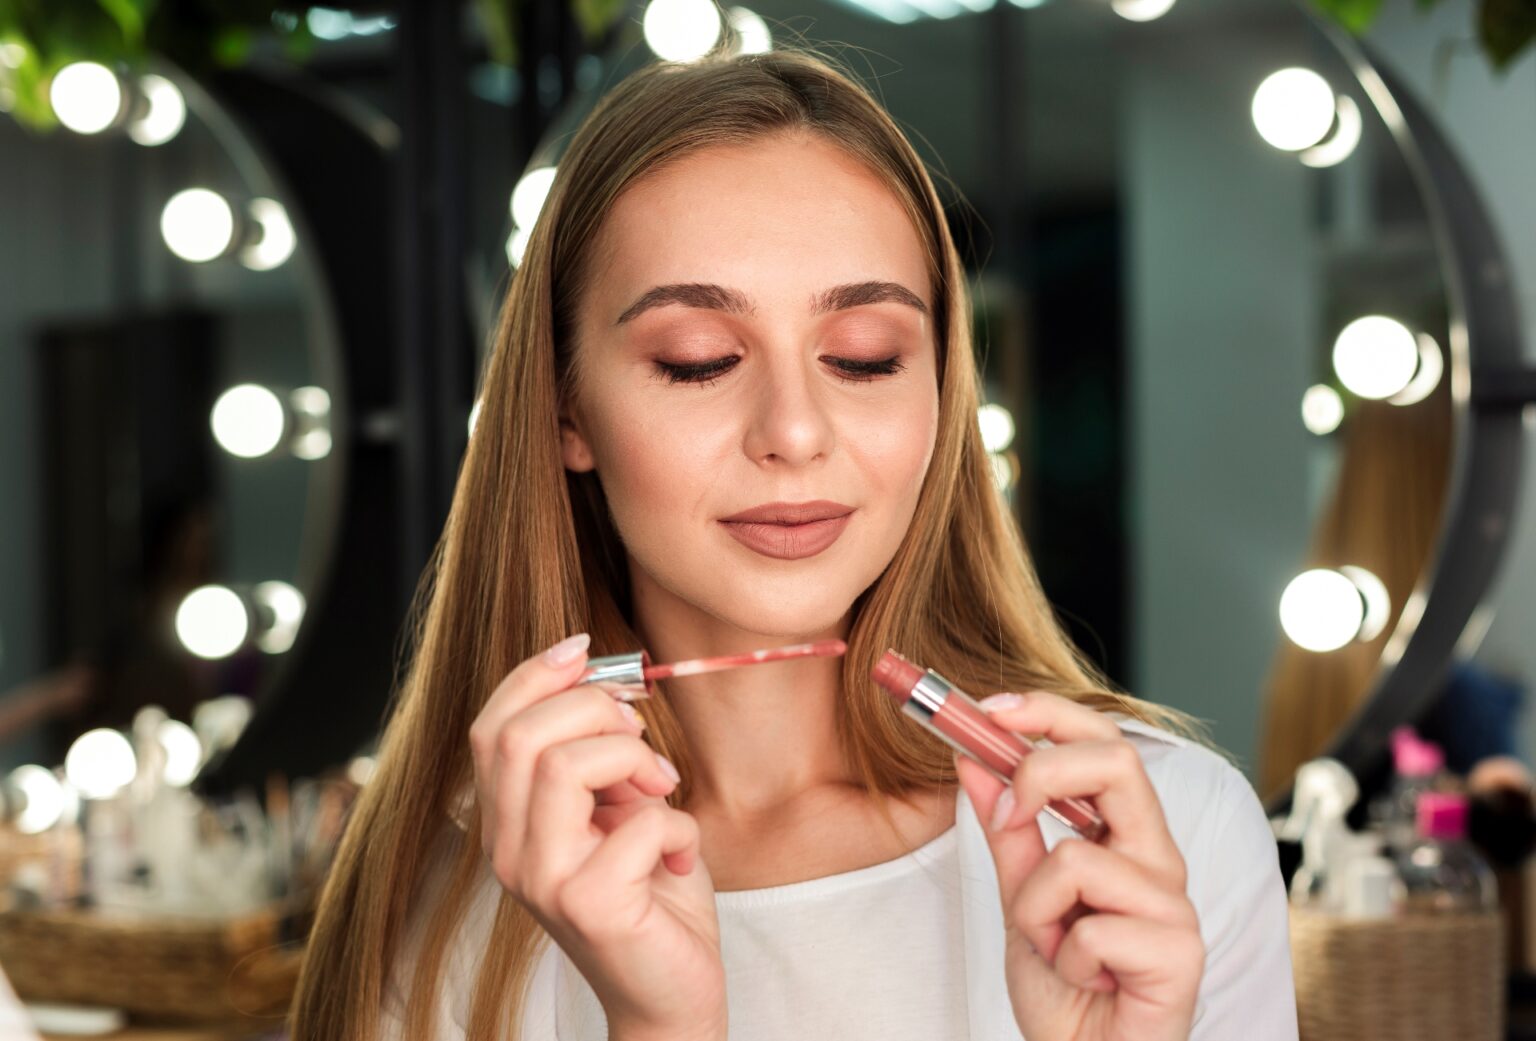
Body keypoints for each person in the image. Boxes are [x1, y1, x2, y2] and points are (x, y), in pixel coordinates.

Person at [288, 43, 1297, 1041]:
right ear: (567, 412)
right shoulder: (457, 885)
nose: (796, 433)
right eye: (700, 361)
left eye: (865, 359)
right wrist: (658, 1025)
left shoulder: (1159, 835)